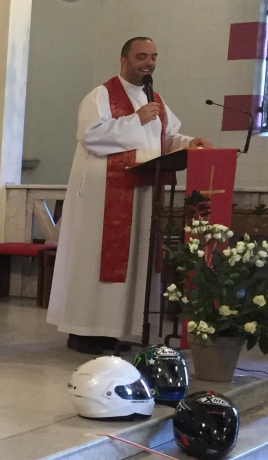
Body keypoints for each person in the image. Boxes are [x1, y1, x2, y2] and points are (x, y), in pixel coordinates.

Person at [47, 37, 213, 354]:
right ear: (123, 60)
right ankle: (83, 331)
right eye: (141, 56)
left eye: (153, 57)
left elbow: (164, 137)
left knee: (133, 262)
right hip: (101, 197)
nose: (148, 63)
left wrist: (188, 143)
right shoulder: (101, 95)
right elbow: (90, 135)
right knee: (96, 260)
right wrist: (136, 120)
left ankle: (115, 330)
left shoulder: (155, 99)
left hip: (141, 194)